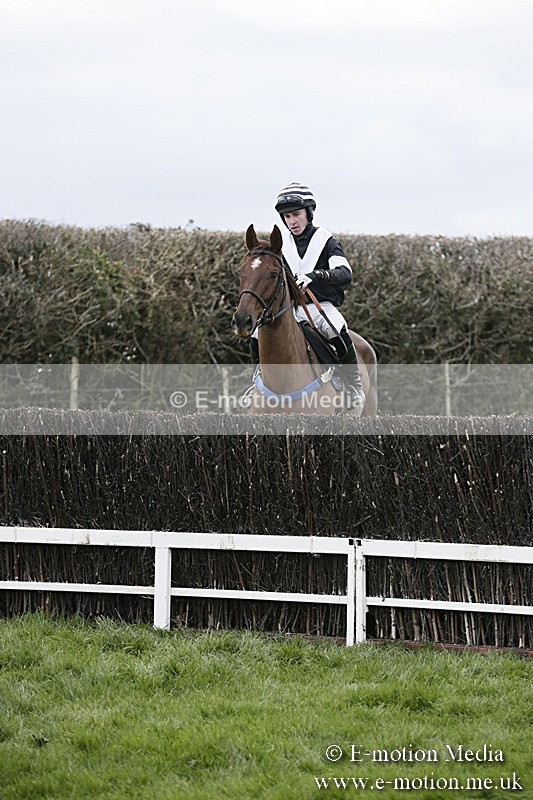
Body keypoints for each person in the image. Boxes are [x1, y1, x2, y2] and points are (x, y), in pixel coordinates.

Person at [249, 181, 365, 409]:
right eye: (287, 217)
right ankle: (257, 382)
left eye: (296, 215)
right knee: (256, 333)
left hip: (319, 307)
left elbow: (345, 273)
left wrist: (317, 275)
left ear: (308, 213)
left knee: (336, 327)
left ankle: (354, 386)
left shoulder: (326, 241)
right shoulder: (281, 244)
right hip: (288, 309)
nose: (292, 222)